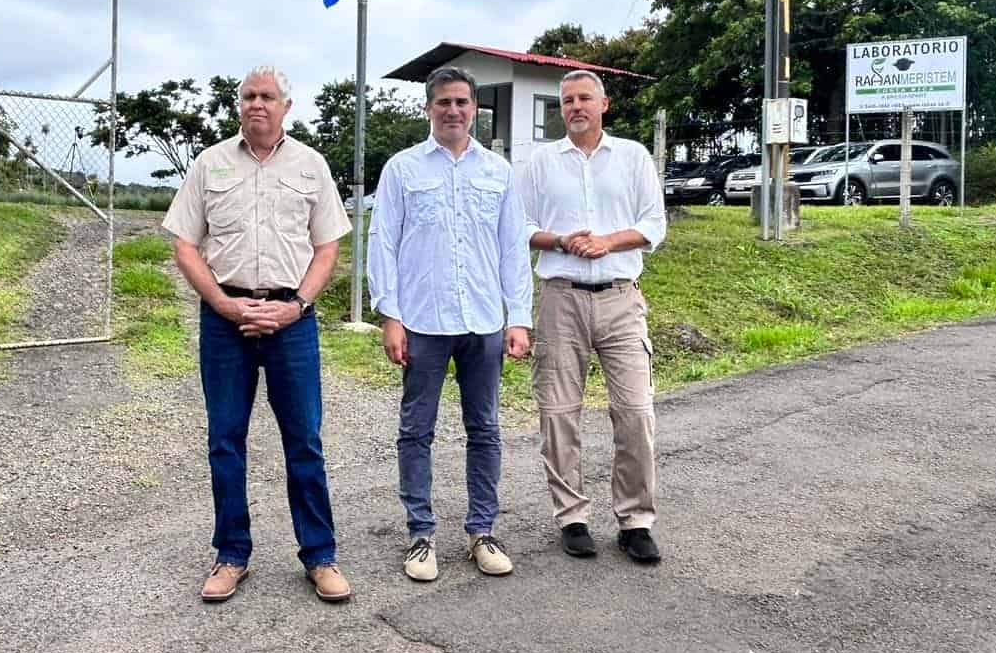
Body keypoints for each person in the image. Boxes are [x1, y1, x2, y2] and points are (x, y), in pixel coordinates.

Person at [162, 66, 354, 604]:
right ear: (238, 105)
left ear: (287, 106)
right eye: (248, 96)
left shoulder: (311, 165)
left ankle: (319, 556)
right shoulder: (210, 164)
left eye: (267, 97)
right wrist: (223, 303)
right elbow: (184, 244)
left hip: (292, 322)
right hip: (225, 320)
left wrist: (295, 307)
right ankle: (231, 554)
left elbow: (327, 248)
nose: (256, 104)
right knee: (226, 440)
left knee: (304, 442)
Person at [366, 65, 532, 583]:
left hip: (483, 321)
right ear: (428, 108)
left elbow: (512, 249)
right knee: (416, 430)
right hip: (423, 320)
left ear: (474, 109)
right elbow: (382, 243)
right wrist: (390, 315)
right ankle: (421, 534)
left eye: (462, 102)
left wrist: (519, 317)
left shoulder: (498, 172)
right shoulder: (402, 169)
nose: (454, 111)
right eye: (444, 103)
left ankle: (482, 531)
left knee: (484, 428)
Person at [516, 70, 668, 563]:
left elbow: (653, 224)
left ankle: (635, 520)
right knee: (558, 413)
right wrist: (561, 240)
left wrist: (606, 242)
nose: (576, 106)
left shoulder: (633, 157)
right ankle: (572, 516)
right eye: (567, 100)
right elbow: (520, 225)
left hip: (621, 298)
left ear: (605, 104)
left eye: (585, 98)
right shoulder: (541, 162)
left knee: (635, 412)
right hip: (561, 297)